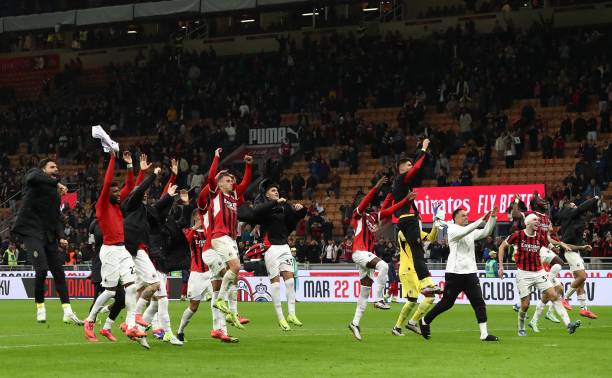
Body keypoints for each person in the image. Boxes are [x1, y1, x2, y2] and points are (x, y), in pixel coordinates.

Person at [11, 158, 82, 324]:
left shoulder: (54, 196)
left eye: (57, 167)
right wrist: (56, 183)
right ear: (43, 169)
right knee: (41, 270)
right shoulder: (34, 178)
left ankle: (68, 311)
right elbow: (32, 178)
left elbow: (56, 218)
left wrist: (61, 237)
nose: (56, 168)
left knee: (59, 272)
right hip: (31, 232)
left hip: (48, 235)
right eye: (52, 167)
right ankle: (40, 307)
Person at [84, 151, 146, 343]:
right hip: (109, 251)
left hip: (122, 250)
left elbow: (131, 186)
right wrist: (112, 159)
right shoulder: (102, 204)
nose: (119, 193)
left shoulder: (118, 203)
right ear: (107, 193)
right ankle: (90, 320)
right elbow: (108, 181)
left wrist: (130, 166)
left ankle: (131, 326)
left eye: (119, 191)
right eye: (115, 191)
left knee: (131, 286)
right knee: (110, 291)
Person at [348, 177, 416, 341]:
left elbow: (389, 210)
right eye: (366, 202)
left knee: (364, 293)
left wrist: (404, 199)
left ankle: (355, 323)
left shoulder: (372, 217)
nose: (369, 204)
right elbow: (365, 202)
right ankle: (378, 299)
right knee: (384, 266)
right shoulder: (357, 215)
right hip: (359, 252)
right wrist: (375, 188)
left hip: (366, 257)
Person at [419, 207, 499, 342]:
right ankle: (425, 320)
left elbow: (486, 232)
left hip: (470, 272)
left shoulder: (469, 231)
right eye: (463, 216)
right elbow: (467, 230)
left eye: (467, 215)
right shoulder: (452, 230)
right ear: (455, 219)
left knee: (479, 302)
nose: (466, 217)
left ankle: (484, 334)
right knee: (447, 303)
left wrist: (492, 218)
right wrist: (481, 219)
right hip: (455, 273)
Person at [498, 214, 581, 336]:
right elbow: (502, 247)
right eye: (535, 220)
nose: (538, 221)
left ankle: (569, 324)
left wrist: (560, 245)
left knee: (554, 295)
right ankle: (521, 327)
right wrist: (501, 266)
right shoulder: (518, 235)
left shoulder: (540, 237)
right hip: (523, 274)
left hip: (539, 272)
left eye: (538, 220)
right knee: (525, 305)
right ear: (527, 223)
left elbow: (550, 243)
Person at [242, 179, 307, 331]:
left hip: (284, 246)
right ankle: (280, 317)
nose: (276, 191)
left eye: (276, 190)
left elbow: (295, 218)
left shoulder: (283, 207)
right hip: (270, 248)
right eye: (272, 190)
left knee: (290, 282)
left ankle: (291, 314)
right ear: (266, 195)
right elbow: (256, 211)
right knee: (276, 283)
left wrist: (301, 210)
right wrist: (275, 203)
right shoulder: (264, 208)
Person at [391, 138, 441, 296]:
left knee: (417, 251)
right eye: (408, 165)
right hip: (408, 219)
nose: (411, 167)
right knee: (418, 252)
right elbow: (418, 167)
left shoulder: (401, 185)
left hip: (405, 219)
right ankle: (426, 284)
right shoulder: (401, 179)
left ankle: (426, 284)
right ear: (401, 169)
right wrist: (424, 149)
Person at [210, 148, 253, 330]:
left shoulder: (234, 195)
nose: (231, 182)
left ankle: (234, 313)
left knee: (234, 275)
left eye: (231, 180)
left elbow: (245, 182)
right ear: (219, 184)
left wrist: (248, 165)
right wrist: (216, 157)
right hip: (219, 236)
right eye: (227, 180)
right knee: (235, 267)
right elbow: (212, 176)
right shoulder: (216, 193)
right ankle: (220, 300)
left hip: (231, 238)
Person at [392, 206, 441, 337]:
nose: (417, 218)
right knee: (430, 296)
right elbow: (418, 239)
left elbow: (430, 238)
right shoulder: (404, 232)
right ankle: (412, 322)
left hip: (411, 269)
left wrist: (435, 223)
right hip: (410, 268)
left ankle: (397, 327)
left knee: (412, 300)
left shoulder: (414, 231)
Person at [559, 196, 600, 319]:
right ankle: (565, 299)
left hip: (576, 252)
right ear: (568, 208)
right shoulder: (568, 214)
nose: (575, 206)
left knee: (581, 282)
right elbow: (582, 208)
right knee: (582, 276)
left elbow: (584, 211)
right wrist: (594, 199)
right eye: (573, 205)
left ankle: (584, 309)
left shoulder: (574, 219)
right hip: (571, 251)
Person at [87, 219, 126, 342]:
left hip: (113, 267)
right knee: (97, 298)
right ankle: (89, 328)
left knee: (122, 300)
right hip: (101, 267)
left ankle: (106, 327)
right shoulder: (100, 224)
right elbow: (100, 236)